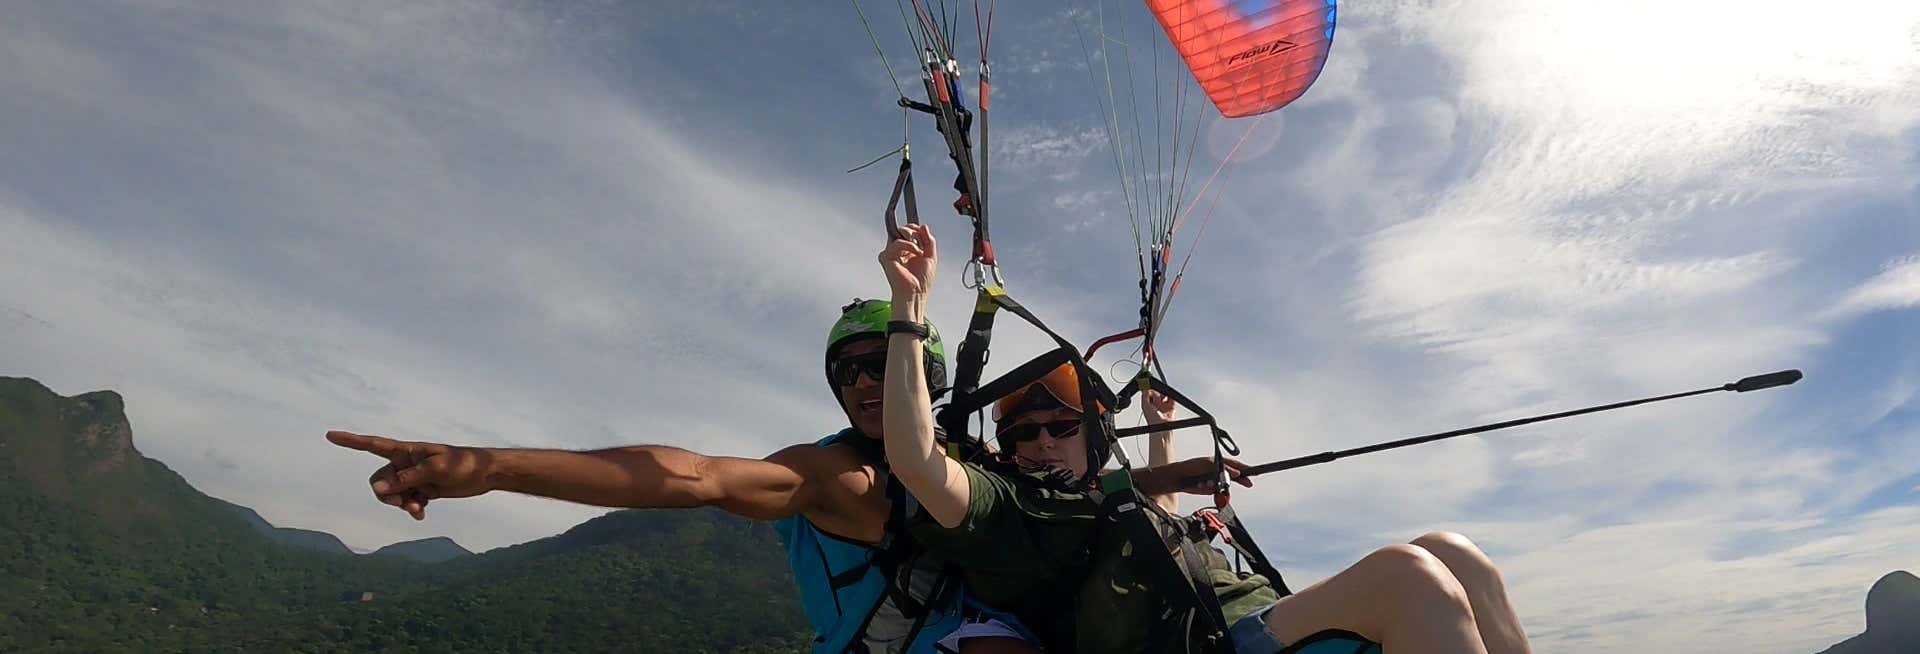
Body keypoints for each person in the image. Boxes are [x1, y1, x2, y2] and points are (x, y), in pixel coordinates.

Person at [875, 221, 1533, 654]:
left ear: (1093, 436)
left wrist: (1160, 430)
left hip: (1252, 619)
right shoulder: (1006, 509)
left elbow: (1155, 530)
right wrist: (910, 309)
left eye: (1061, 425)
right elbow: (916, 459)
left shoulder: (1107, 506)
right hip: (1205, 643)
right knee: (1407, 575)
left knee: (1456, 552)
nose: (1043, 439)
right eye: (1024, 431)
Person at [326, 298, 1014, 653]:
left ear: (929, 379)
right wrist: (492, 468)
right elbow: (696, 477)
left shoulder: (968, 467)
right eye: (851, 370)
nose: (869, 382)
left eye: (886, 364)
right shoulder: (836, 478)